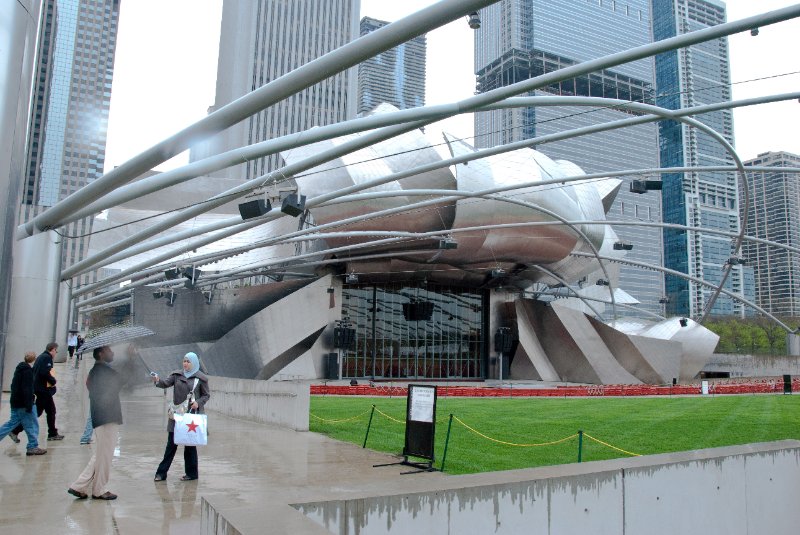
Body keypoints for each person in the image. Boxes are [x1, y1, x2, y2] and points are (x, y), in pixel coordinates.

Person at [68, 346, 123, 501]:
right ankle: (99, 489)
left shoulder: (96, 371)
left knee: (101, 453)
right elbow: (120, 382)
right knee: (105, 454)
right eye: (109, 350)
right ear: (101, 354)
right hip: (107, 416)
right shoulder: (102, 371)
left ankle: (79, 486)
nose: (112, 353)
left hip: (102, 416)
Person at [152, 352, 210, 482]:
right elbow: (165, 383)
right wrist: (157, 381)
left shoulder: (201, 378)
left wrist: (198, 403)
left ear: (194, 363)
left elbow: (206, 395)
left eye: (188, 361)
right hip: (177, 416)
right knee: (171, 445)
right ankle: (161, 473)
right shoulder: (177, 375)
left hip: (191, 416)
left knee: (190, 446)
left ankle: (192, 474)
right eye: (184, 361)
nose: (185, 364)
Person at [11, 342, 63, 441]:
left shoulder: (40, 357)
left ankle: (16, 431)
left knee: (40, 411)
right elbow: (44, 372)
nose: (56, 353)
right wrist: (53, 381)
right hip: (43, 390)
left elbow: (35, 370)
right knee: (50, 411)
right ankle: (52, 434)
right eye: (56, 350)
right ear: (52, 349)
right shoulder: (47, 358)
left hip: (39, 389)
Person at [0, 352, 47, 455]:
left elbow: (14, 386)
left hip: (16, 403)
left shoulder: (19, 369)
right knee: (32, 426)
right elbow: (27, 389)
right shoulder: (28, 372)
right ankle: (32, 446)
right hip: (24, 404)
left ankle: (32, 446)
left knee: (10, 424)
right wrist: (29, 404)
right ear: (33, 360)